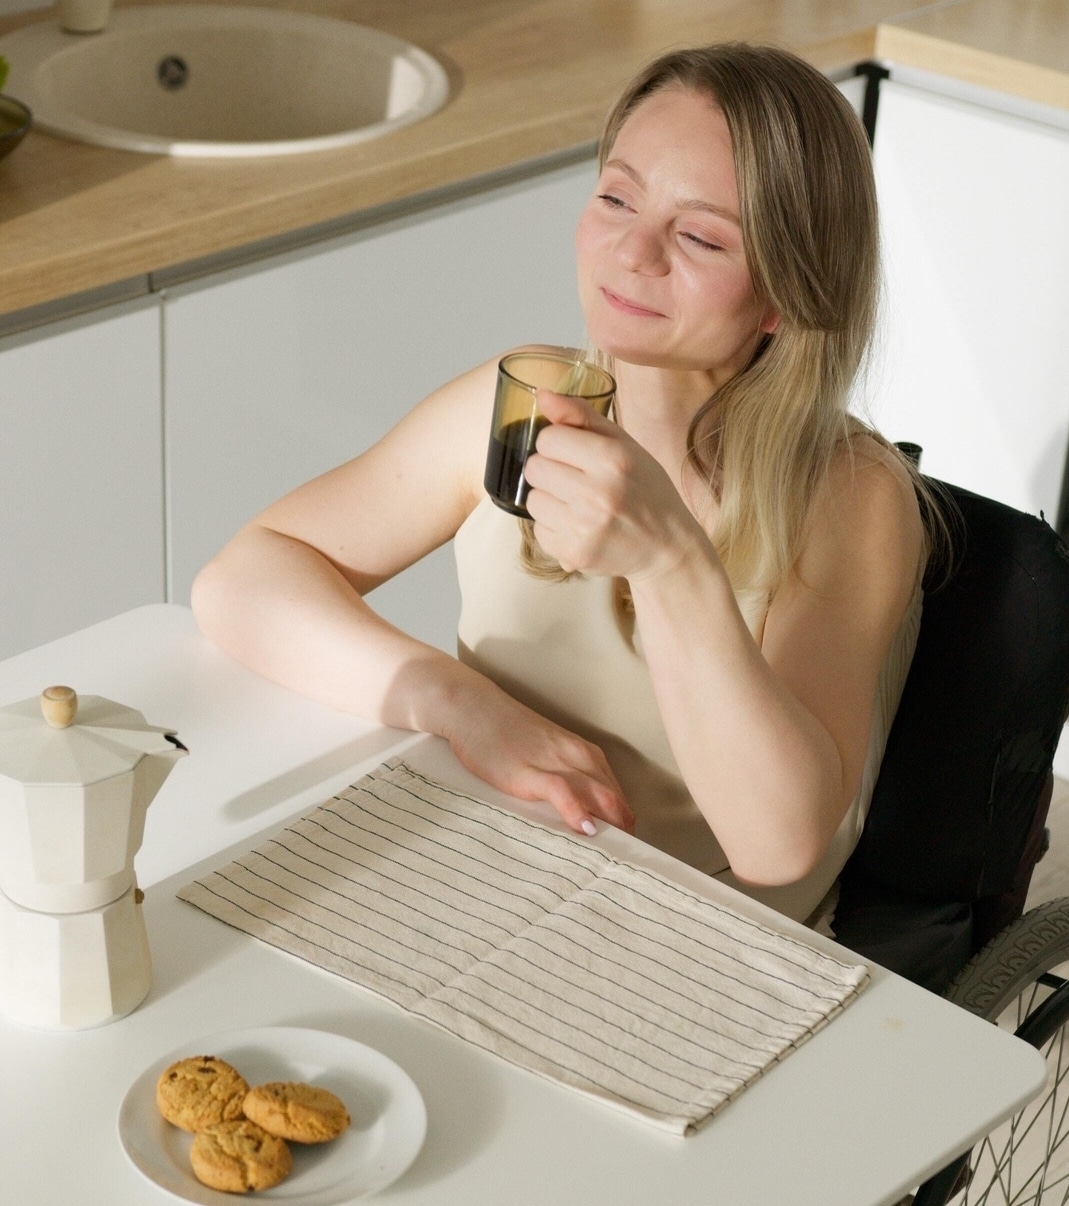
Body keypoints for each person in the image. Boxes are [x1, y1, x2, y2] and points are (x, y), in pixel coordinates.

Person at [192, 43, 928, 928]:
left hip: (698, 943)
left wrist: (670, 565)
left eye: (698, 236)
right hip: (489, 879)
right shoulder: (517, 402)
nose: (630, 250)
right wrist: (466, 708)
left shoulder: (852, 496)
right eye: (616, 197)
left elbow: (778, 846)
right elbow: (243, 580)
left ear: (784, 294)